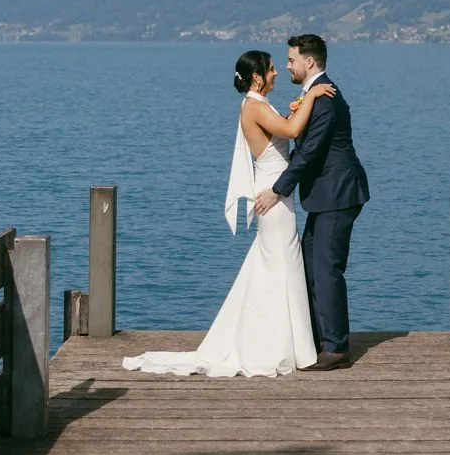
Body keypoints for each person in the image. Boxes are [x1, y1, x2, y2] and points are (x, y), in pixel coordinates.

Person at [122, 50, 336, 379]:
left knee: (278, 264)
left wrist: (300, 104)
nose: (278, 73)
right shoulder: (254, 106)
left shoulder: (259, 105)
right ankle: (282, 346)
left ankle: (288, 343)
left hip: (278, 190)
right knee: (282, 262)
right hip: (273, 194)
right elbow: (292, 132)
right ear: (257, 77)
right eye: (272, 69)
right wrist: (310, 96)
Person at [253, 33, 370, 371]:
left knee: (327, 268)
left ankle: (336, 347)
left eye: (291, 60)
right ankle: (319, 338)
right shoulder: (315, 95)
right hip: (326, 195)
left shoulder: (326, 98)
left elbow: (308, 153)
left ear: (309, 61)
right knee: (310, 263)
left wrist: (277, 190)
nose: (287, 65)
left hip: (338, 193)